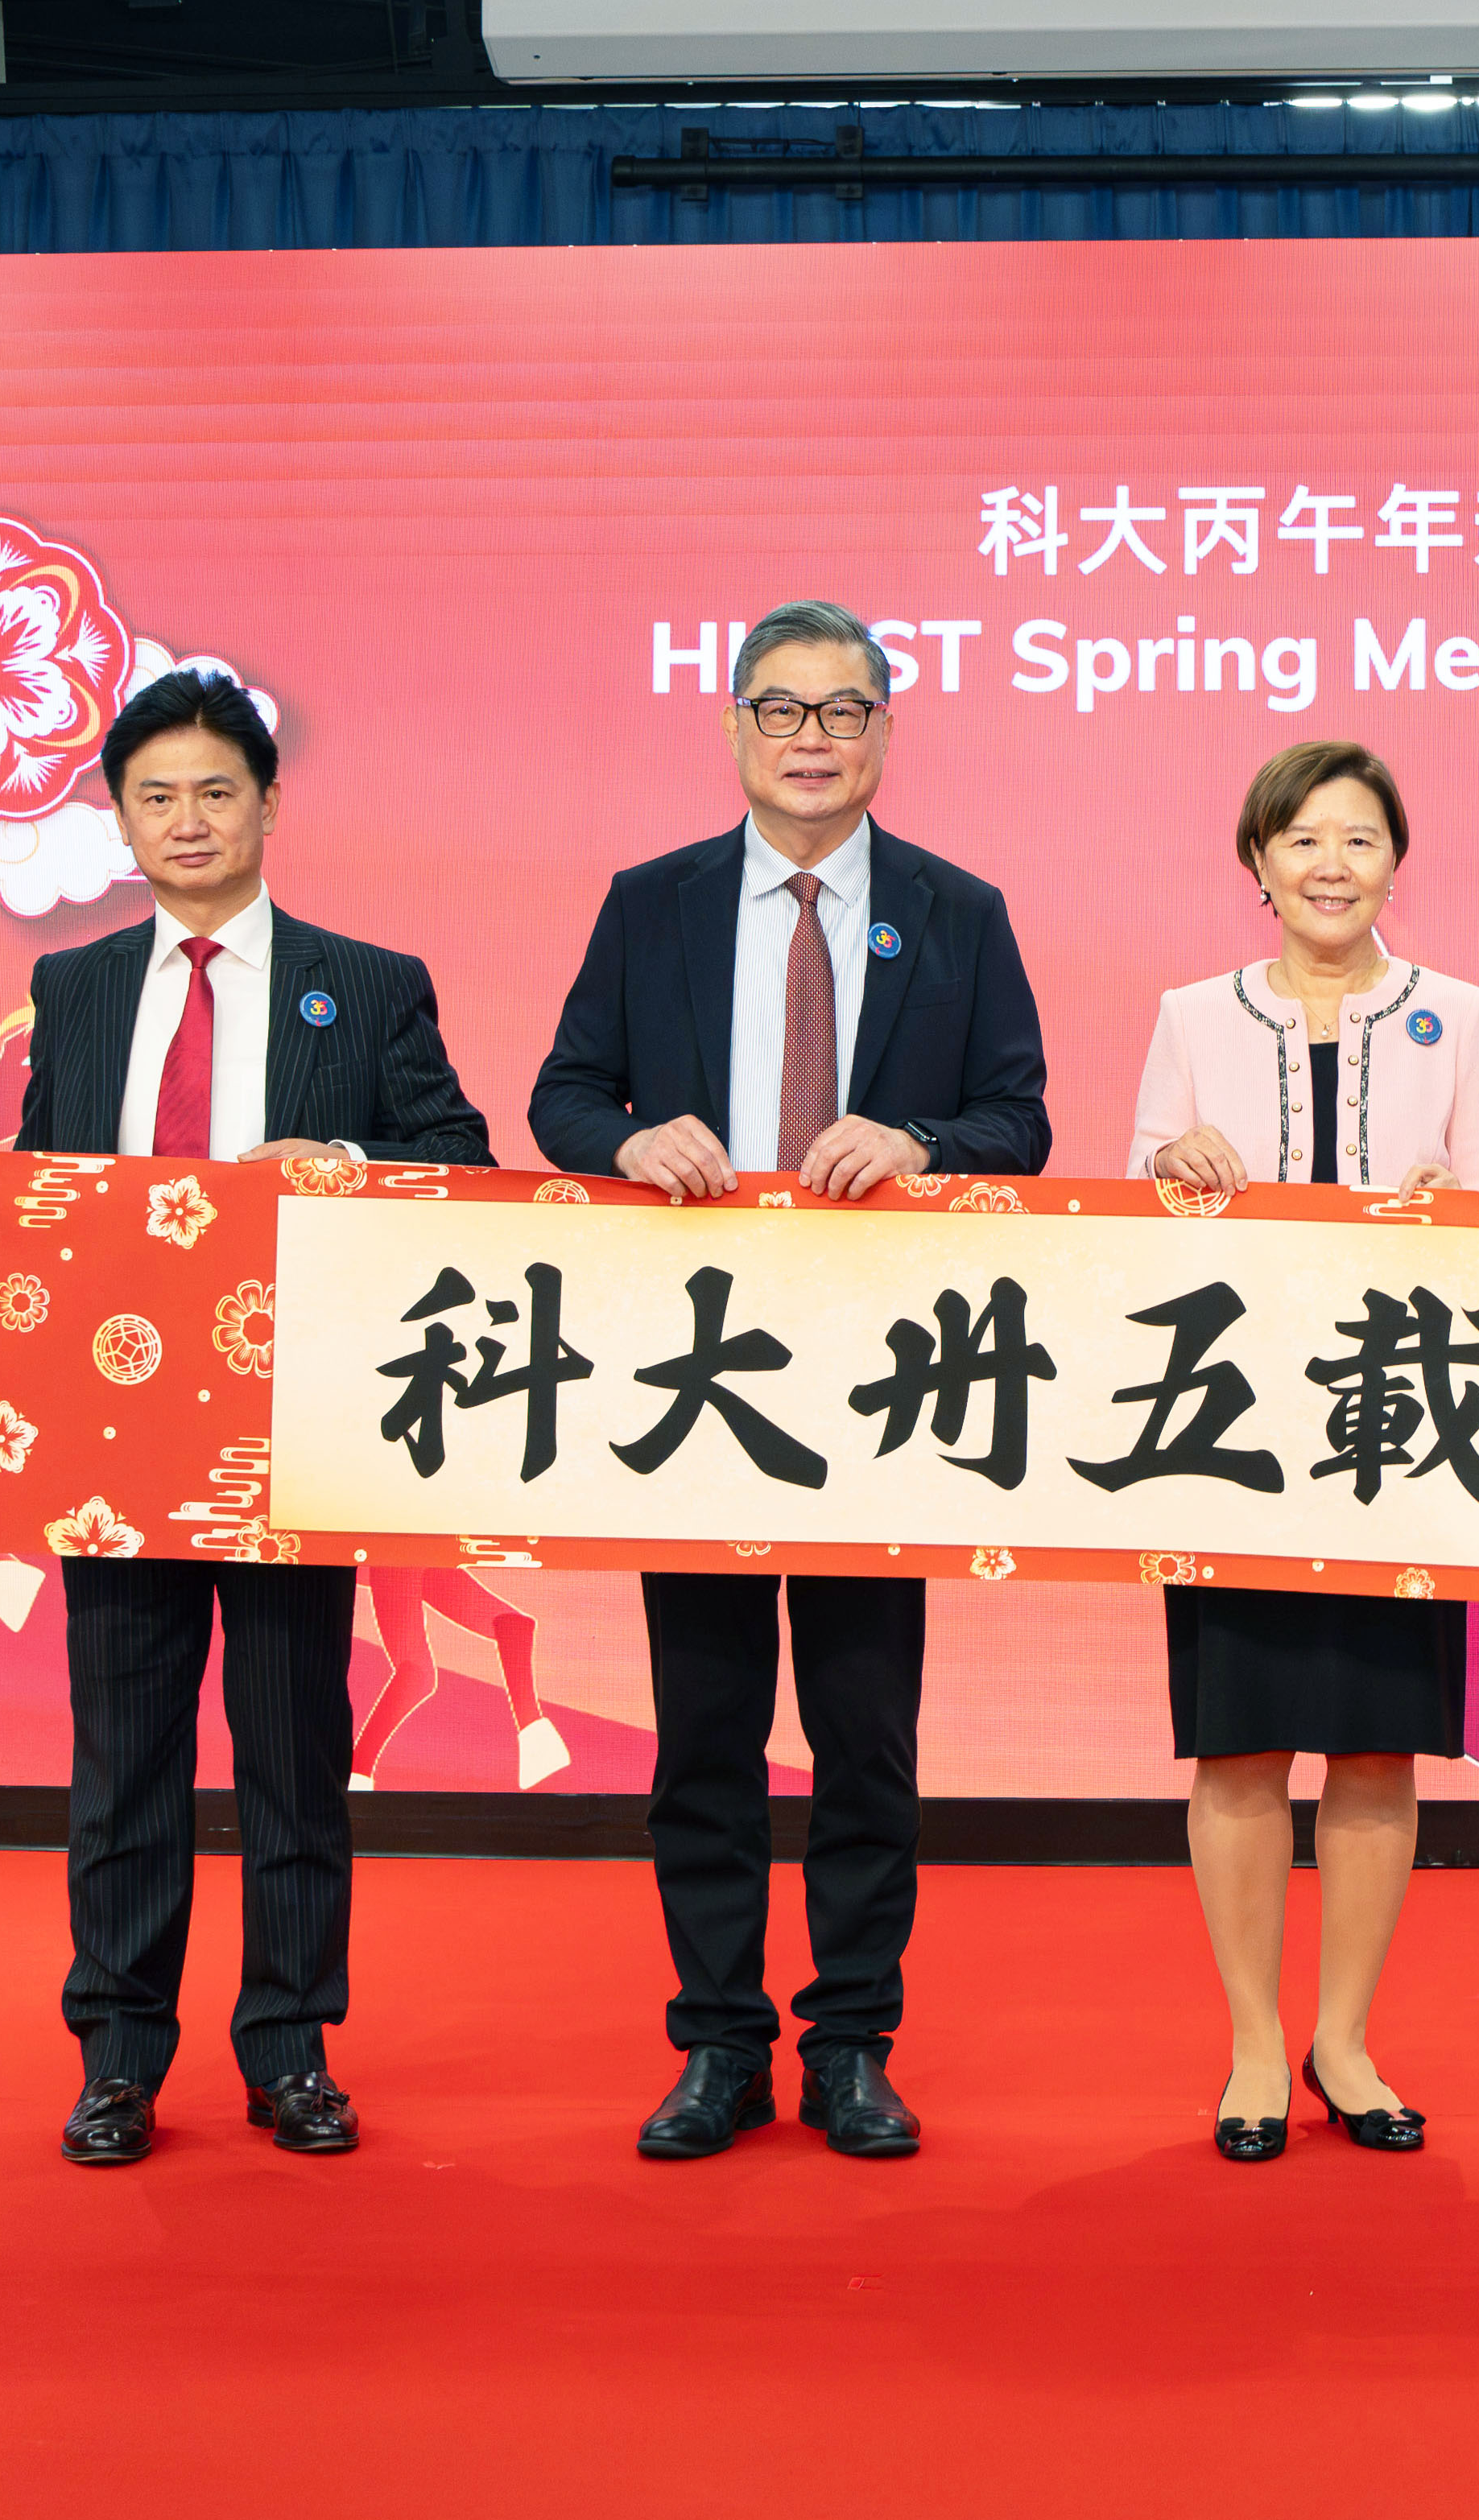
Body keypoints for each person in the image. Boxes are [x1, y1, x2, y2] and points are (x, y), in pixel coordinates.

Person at [0, 667, 493, 2167]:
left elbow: (457, 1162)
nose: (190, 819)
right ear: (121, 817)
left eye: (218, 791)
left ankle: (289, 2050)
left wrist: (330, 1156)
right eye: (158, 796)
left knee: (291, 1745)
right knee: (126, 1753)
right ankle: (119, 2058)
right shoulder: (76, 989)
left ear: (268, 805)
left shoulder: (370, 979)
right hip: (111, 1435)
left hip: (295, 1423)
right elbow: (34, 1179)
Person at [527, 600, 1050, 2163]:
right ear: (734, 727)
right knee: (705, 1722)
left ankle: (853, 2044)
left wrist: (923, 1143)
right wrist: (621, 1137)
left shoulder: (959, 912)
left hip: (883, 1376)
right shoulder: (655, 906)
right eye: (780, 709)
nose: (811, 737)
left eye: (842, 711)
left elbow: (1016, 1117)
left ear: (885, 732)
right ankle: (717, 2044)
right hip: (697, 1370)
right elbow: (561, 1090)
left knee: (864, 1724)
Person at [1130, 739, 1479, 2160]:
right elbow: (1143, 1186)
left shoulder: (1458, 1013)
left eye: (1357, 841)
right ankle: (1248, 2047)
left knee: (1372, 1750)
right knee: (1237, 1749)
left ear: (1394, 862)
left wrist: (1449, 1213)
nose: (1331, 867)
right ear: (1258, 866)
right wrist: (1174, 1171)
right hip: (1227, 1423)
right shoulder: (1191, 1014)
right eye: (1302, 842)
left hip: (1400, 1418)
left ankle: (1343, 2041)